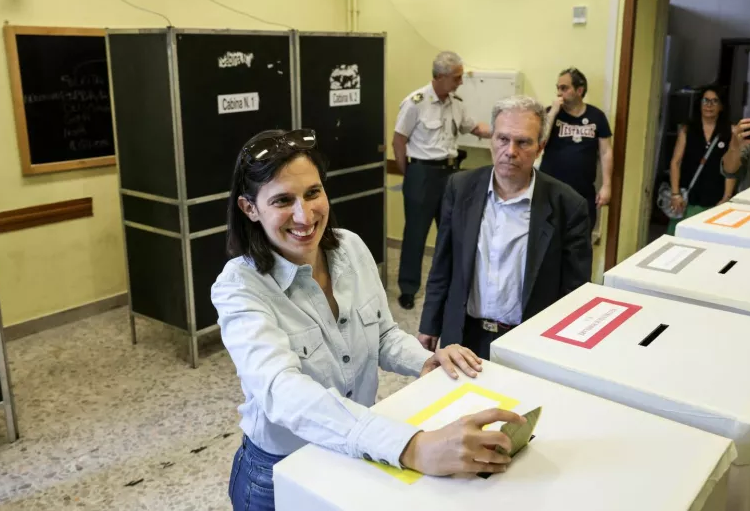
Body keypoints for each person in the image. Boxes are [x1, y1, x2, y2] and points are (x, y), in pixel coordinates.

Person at [212, 129, 525, 511]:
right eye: (282, 200)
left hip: (354, 448)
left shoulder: (350, 248)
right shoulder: (239, 286)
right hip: (278, 472)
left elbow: (384, 335)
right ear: (249, 209)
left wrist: (426, 360)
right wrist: (410, 446)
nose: (304, 215)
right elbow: (282, 390)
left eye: (313, 193)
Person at [417, 96, 593, 360]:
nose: (510, 151)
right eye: (502, 139)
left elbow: (574, 292)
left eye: (523, 142)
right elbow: (443, 262)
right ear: (492, 140)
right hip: (464, 336)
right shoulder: (460, 188)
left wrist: (563, 353)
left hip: (528, 341)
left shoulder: (568, 205)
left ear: (540, 147)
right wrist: (430, 323)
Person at [392, 51, 492, 311]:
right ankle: (408, 288)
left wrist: (502, 131)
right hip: (422, 174)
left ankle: (451, 287)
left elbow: (475, 128)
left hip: (451, 175)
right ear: (439, 76)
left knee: (451, 233)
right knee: (415, 234)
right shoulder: (416, 102)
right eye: (456, 77)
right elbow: (398, 141)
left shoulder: (457, 103)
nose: (460, 82)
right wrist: (411, 175)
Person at [539, 67, 613, 233]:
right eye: (558, 88)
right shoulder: (550, 113)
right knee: (548, 240)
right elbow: (540, 141)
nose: (559, 93)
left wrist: (607, 185)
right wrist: (553, 113)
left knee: (580, 241)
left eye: (564, 88)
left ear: (580, 90)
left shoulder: (597, 116)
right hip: (550, 191)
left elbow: (606, 152)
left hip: (582, 192)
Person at [666, 85, 736, 234]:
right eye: (705, 100)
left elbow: (732, 169)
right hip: (687, 198)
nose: (709, 105)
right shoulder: (687, 129)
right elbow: (675, 162)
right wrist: (675, 193)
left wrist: (726, 197)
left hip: (715, 198)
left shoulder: (730, 132)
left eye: (714, 101)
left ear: (721, 106)